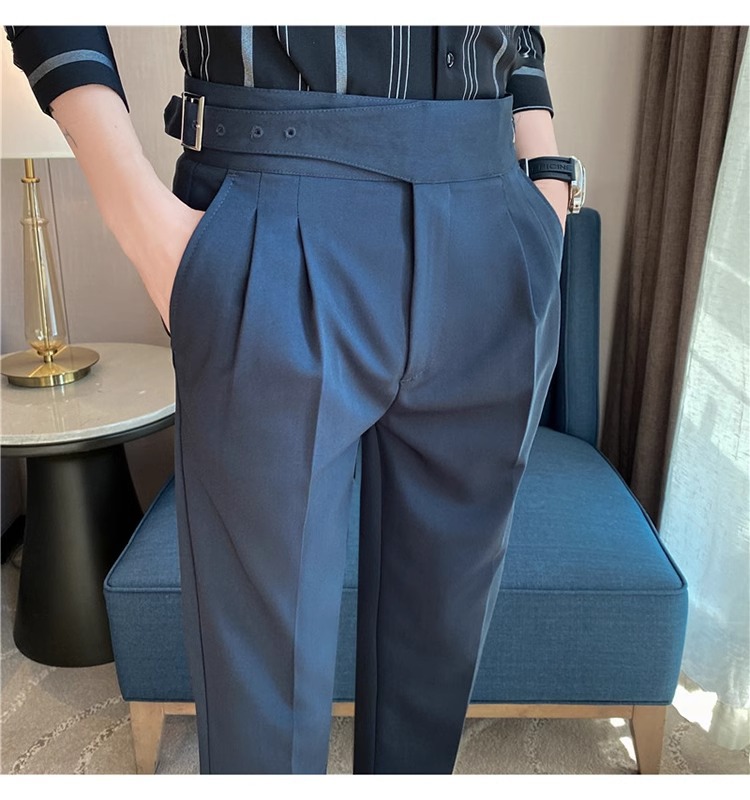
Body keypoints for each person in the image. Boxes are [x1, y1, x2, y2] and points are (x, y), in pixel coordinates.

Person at [5, 25, 583, 775]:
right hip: (276, 203)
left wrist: (547, 183)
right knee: (261, 708)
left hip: (490, 223)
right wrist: (145, 229)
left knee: (440, 655)